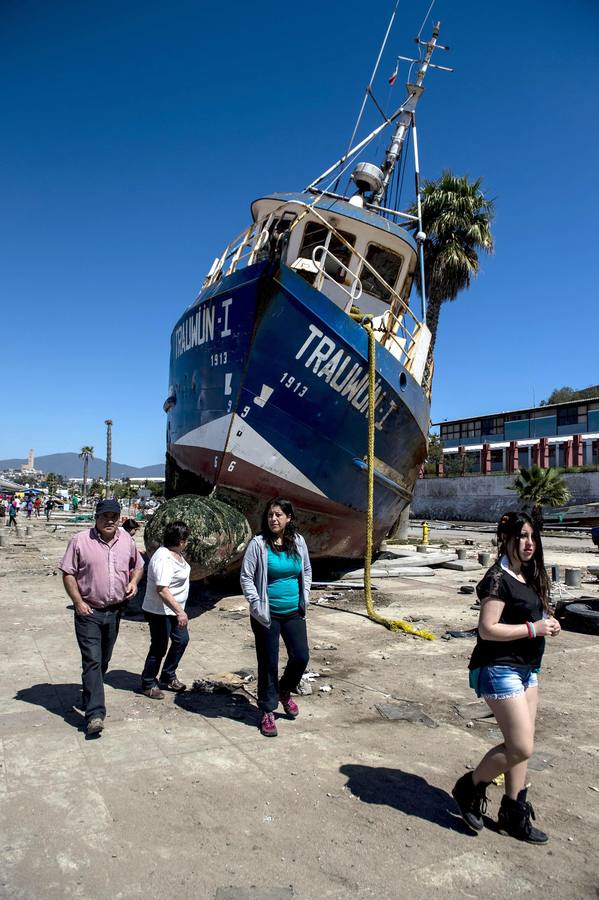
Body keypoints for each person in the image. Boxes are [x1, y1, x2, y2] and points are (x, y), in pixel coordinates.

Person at [452, 511, 561, 844]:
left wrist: (548, 622)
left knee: (522, 749)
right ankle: (469, 787)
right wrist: (533, 628)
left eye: (532, 537)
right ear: (507, 539)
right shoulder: (498, 578)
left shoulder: (529, 574)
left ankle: (514, 812)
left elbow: (534, 615)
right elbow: (487, 630)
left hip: (528, 670)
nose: (529, 544)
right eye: (522, 537)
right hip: (499, 669)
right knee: (521, 745)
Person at [59, 498, 145, 736]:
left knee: (103, 659)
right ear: (95, 518)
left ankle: (90, 693)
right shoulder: (80, 541)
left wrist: (134, 582)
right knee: (92, 661)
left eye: (114, 517)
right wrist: (78, 602)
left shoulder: (127, 540)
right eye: (105, 516)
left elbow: (138, 565)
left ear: (120, 519)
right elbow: (68, 573)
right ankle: (95, 714)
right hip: (89, 611)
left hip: (116, 611)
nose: (109, 520)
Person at [240, 497, 312, 737]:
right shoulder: (258, 544)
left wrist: (306, 595)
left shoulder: (298, 542)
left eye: (279, 515)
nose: (273, 519)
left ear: (288, 518)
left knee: (301, 656)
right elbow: (246, 577)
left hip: (294, 611)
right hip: (266, 616)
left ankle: (284, 691)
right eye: (271, 515)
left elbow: (307, 571)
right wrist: (256, 602)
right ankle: (268, 711)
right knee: (268, 663)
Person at [140, 521, 191, 698]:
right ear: (181, 540)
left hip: (173, 610)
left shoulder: (176, 554)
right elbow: (162, 589)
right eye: (186, 539)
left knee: (181, 640)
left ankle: (168, 674)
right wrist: (179, 611)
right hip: (160, 611)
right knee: (159, 647)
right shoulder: (163, 558)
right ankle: (148, 682)